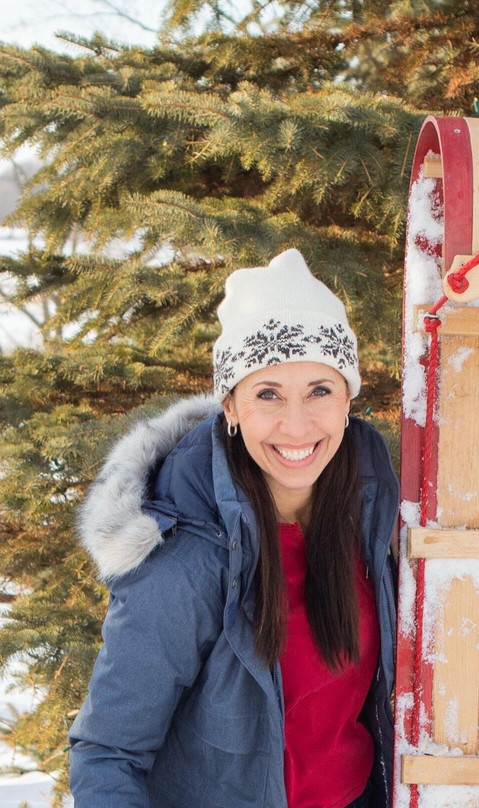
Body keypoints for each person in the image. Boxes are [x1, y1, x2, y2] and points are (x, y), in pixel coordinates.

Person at [68, 249, 399, 808]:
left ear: (348, 397)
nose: (296, 424)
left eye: (319, 389)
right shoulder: (187, 554)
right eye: (268, 393)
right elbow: (109, 752)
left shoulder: (375, 522)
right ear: (231, 405)